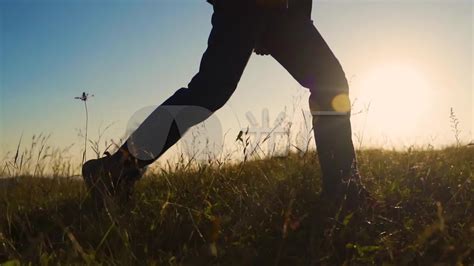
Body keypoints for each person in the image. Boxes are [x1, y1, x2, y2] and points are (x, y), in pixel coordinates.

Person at [82, 0, 370, 207]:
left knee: (330, 83)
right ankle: (113, 170)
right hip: (244, 8)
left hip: (286, 14)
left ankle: (343, 189)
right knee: (208, 92)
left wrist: (297, 13)